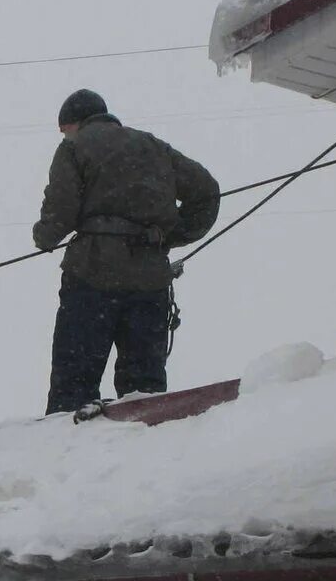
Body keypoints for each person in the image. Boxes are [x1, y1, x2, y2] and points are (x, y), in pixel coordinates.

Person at [32, 90, 221, 415]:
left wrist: (44, 236)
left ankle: (63, 453)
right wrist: (166, 237)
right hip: (150, 281)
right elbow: (207, 191)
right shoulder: (153, 147)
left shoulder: (74, 148)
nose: (64, 136)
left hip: (91, 276)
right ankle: (142, 452)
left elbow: (60, 212)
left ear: (74, 123)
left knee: (73, 385)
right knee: (144, 393)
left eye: (64, 129)